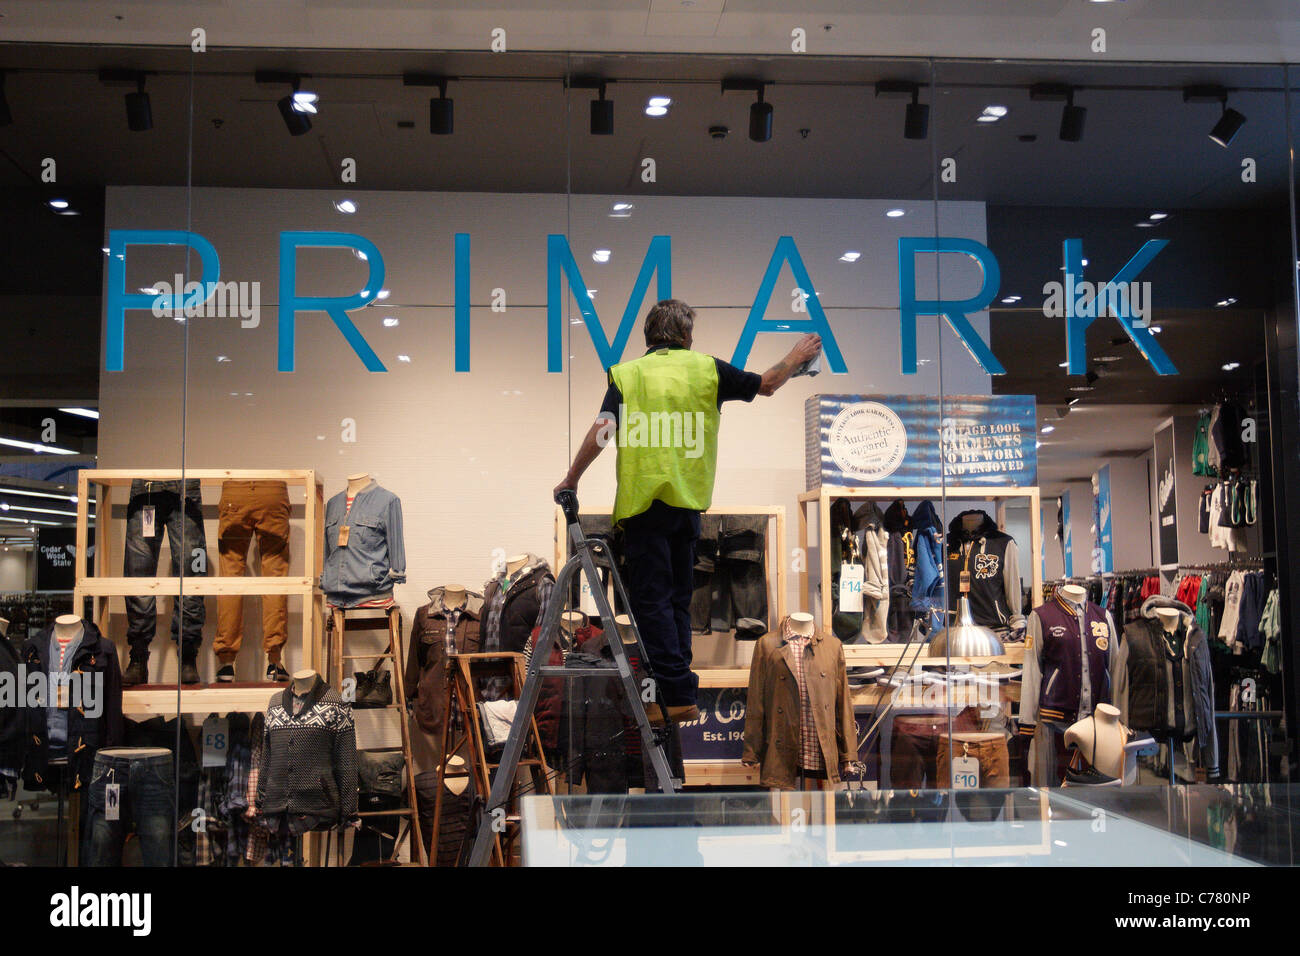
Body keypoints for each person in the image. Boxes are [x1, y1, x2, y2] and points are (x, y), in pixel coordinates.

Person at [555, 298, 822, 723]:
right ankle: (680, 691)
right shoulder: (706, 369)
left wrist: (572, 478)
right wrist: (797, 356)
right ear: (686, 336)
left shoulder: (629, 375)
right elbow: (768, 383)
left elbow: (604, 429)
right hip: (688, 506)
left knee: (651, 603)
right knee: (679, 600)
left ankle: (670, 694)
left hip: (643, 507)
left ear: (648, 337)